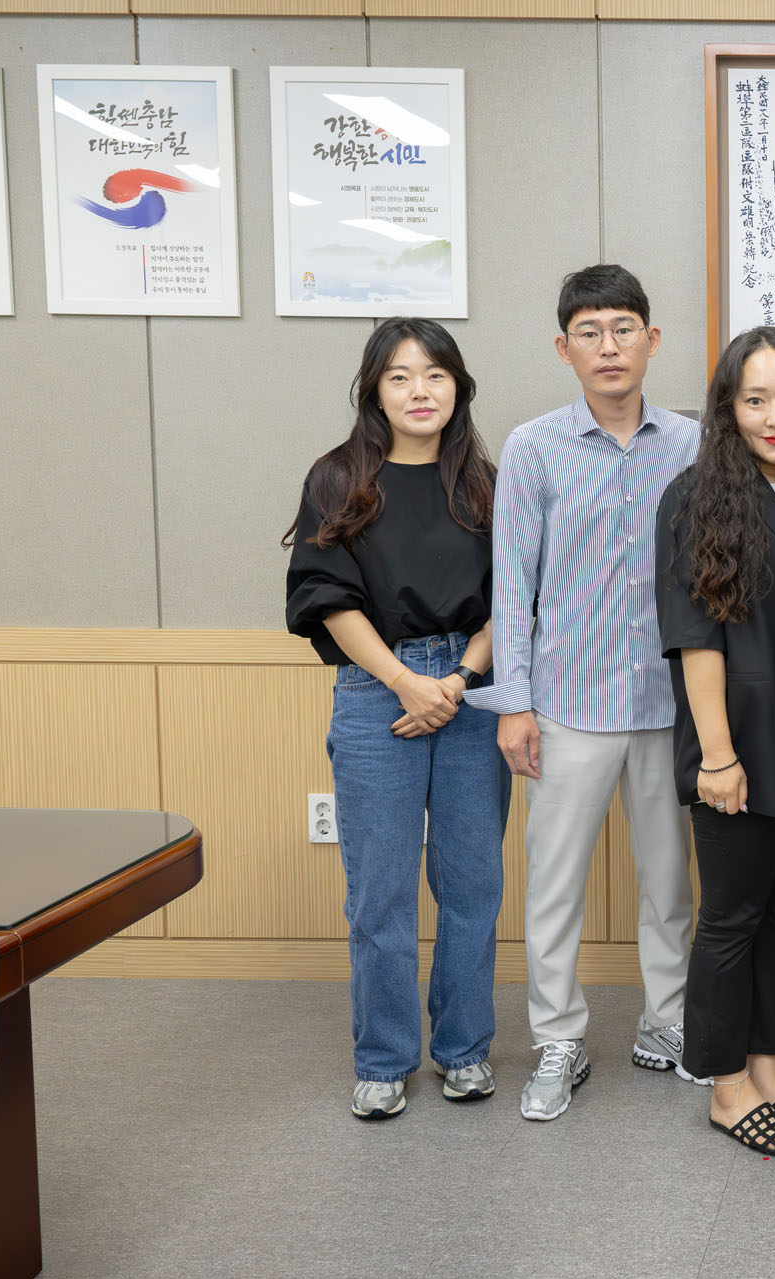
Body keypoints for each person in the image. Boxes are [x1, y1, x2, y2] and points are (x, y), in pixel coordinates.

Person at [462, 266, 699, 1123]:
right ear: (564, 349)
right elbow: (512, 586)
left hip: (669, 703)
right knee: (555, 885)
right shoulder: (533, 448)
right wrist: (514, 704)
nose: (609, 346)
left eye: (624, 328)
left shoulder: (694, 444)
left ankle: (669, 1021)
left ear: (652, 340)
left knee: (670, 884)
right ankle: (558, 1038)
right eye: (590, 332)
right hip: (567, 704)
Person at [284, 318, 509, 1121]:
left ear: (458, 388)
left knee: (473, 884)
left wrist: (458, 679)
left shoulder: (487, 483)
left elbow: (518, 598)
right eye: (401, 377)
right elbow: (325, 597)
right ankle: (383, 1060)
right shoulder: (338, 479)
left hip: (471, 692)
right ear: (374, 390)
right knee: (380, 892)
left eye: (436, 375)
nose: (421, 391)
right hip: (377, 689)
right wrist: (407, 682)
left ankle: (464, 1051)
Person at [657, 327, 775, 1158]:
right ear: (728, 409)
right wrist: (717, 756)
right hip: (744, 749)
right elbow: (695, 637)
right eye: (756, 400)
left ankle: (767, 1066)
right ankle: (725, 1083)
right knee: (731, 920)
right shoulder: (697, 496)